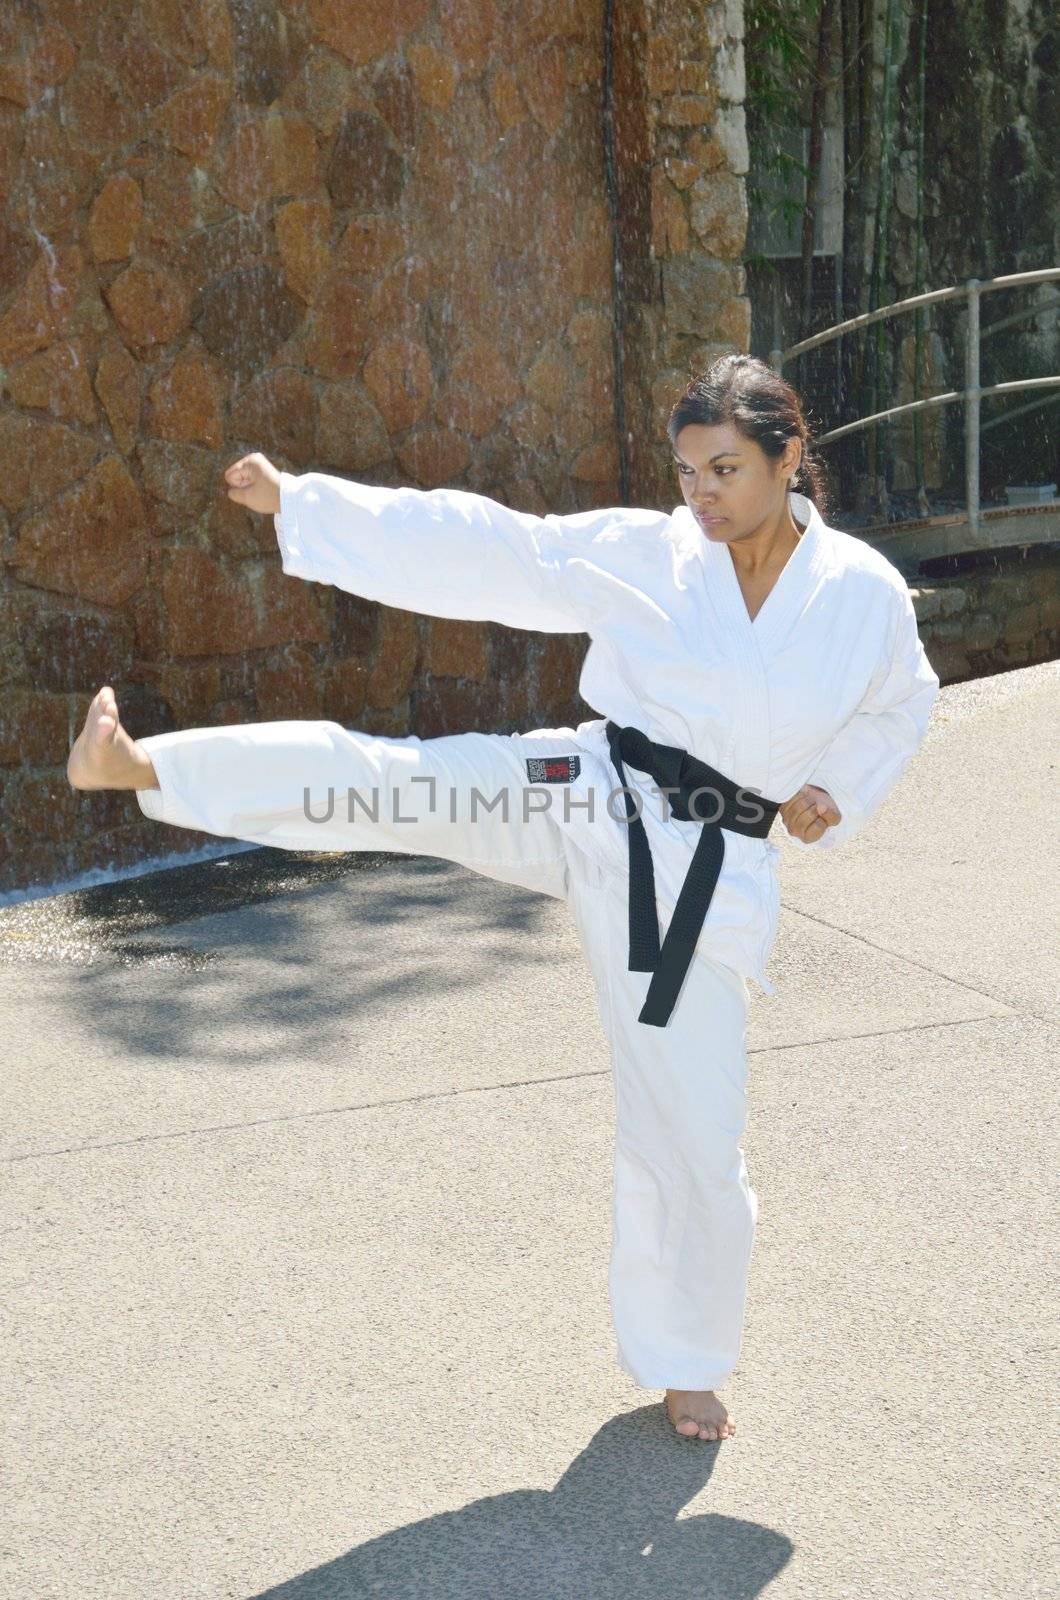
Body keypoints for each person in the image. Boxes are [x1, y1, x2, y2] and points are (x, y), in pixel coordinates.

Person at [66, 352, 940, 1444]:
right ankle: (148, 767)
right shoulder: (648, 552)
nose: (701, 494)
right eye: (684, 472)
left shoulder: (855, 590)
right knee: (392, 780)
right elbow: (494, 547)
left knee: (694, 1137)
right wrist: (307, 505)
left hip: (696, 879)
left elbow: (904, 703)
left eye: (723, 469)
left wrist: (832, 787)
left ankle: (687, 1360)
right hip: (587, 790)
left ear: (788, 457)